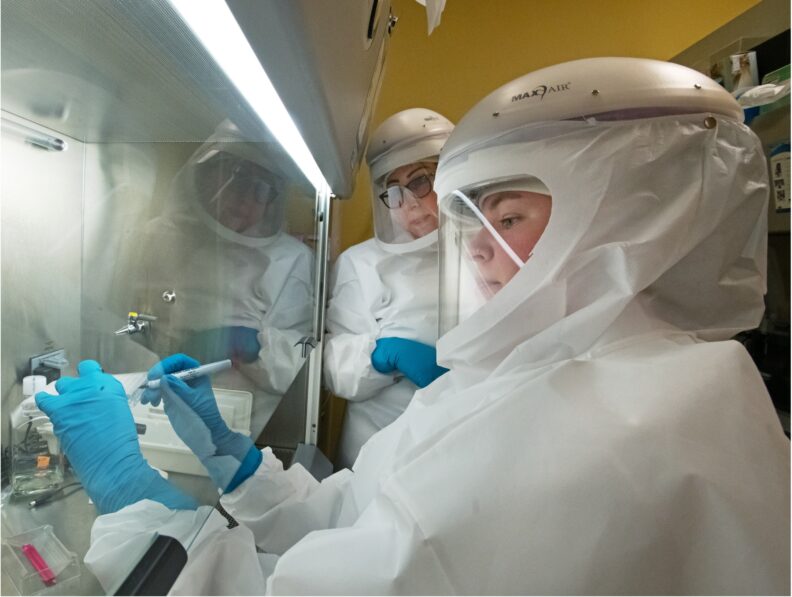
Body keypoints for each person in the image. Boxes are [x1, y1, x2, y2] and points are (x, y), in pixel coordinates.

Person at [38, 58, 788, 594]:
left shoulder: (623, 424)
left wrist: (141, 508)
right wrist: (245, 469)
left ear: (622, 215)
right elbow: (364, 510)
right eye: (476, 222)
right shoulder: (538, 371)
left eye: (511, 217)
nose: (479, 254)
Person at [116, 120, 314, 434]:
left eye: (262, 191)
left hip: (240, 423)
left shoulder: (288, 260)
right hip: (153, 410)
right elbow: (119, 324)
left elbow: (297, 366)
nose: (246, 200)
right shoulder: (155, 238)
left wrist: (253, 347)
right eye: (236, 178)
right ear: (205, 174)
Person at [323, 108, 453, 468]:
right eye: (393, 191)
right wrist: (383, 356)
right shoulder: (362, 263)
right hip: (377, 448)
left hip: (461, 440)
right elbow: (335, 368)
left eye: (421, 181)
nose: (409, 204)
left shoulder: (487, 252)